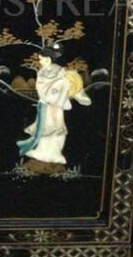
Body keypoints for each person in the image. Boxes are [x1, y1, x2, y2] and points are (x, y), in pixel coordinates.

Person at [17, 43, 91, 174]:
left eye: (42, 59)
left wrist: (66, 90)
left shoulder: (61, 71)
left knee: (58, 130)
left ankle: (55, 154)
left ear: (49, 59)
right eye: (40, 59)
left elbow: (69, 84)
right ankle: (42, 154)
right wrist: (52, 93)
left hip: (57, 106)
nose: (41, 61)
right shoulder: (42, 73)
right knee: (45, 130)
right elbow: (41, 89)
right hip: (46, 105)